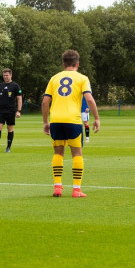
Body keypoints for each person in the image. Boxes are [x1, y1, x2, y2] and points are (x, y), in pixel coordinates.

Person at [42, 49, 100, 198]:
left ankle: (57, 187)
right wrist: (97, 118)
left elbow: (45, 102)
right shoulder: (82, 78)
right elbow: (89, 99)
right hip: (73, 121)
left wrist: (45, 122)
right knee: (77, 154)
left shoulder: (54, 78)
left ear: (63, 64)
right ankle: (76, 190)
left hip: (56, 120)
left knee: (58, 153)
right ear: (77, 64)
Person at [0, 68, 23, 153]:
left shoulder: (15, 86)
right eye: (4, 75)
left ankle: (8, 148)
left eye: (7, 75)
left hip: (10, 110)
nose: (5, 77)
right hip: (0, 110)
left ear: (11, 75)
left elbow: (19, 99)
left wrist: (19, 110)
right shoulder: (1, 85)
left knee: (10, 128)